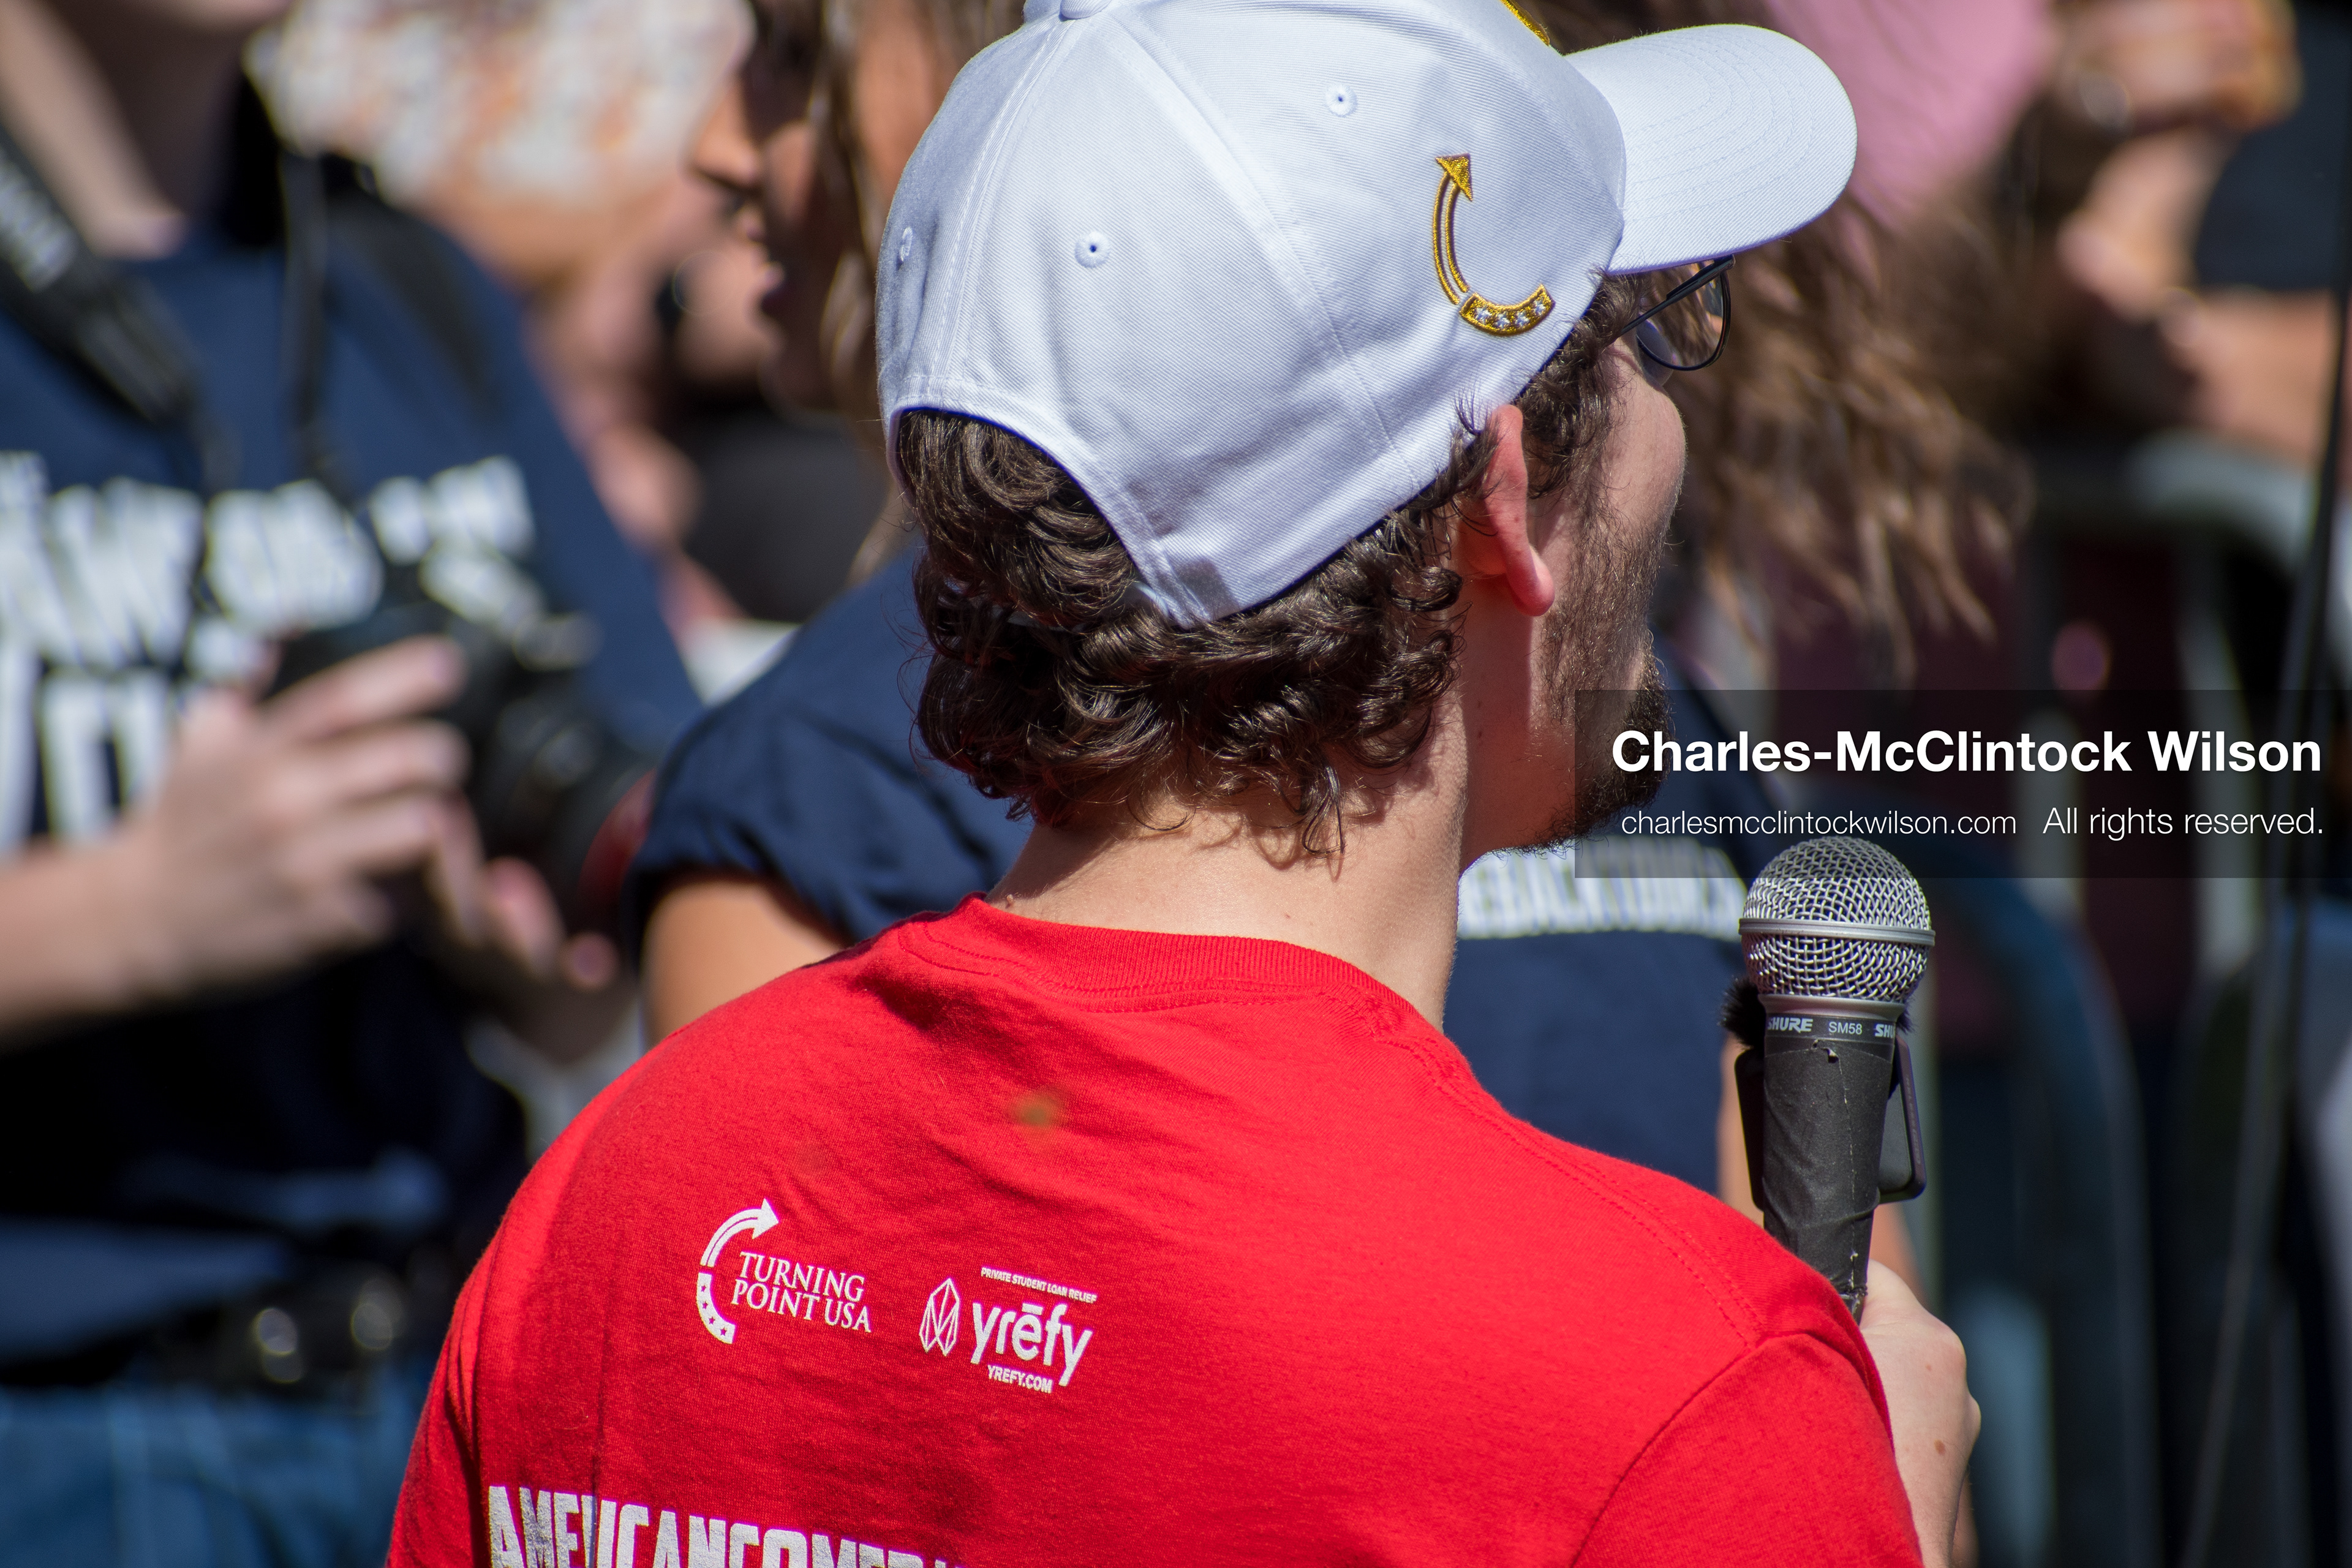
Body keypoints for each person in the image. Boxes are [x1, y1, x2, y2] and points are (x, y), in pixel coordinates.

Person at [395, 6, 1978, 1562]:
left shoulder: (612, 1206)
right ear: (1501, 506)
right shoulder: (1674, 1392)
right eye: (1644, 334)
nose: (1671, 421)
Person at [0, 0, 698, 1558]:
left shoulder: (406, 281)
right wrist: (128, 913)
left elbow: (646, 822)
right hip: (66, 1424)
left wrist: (547, 960)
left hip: (452, 1382)